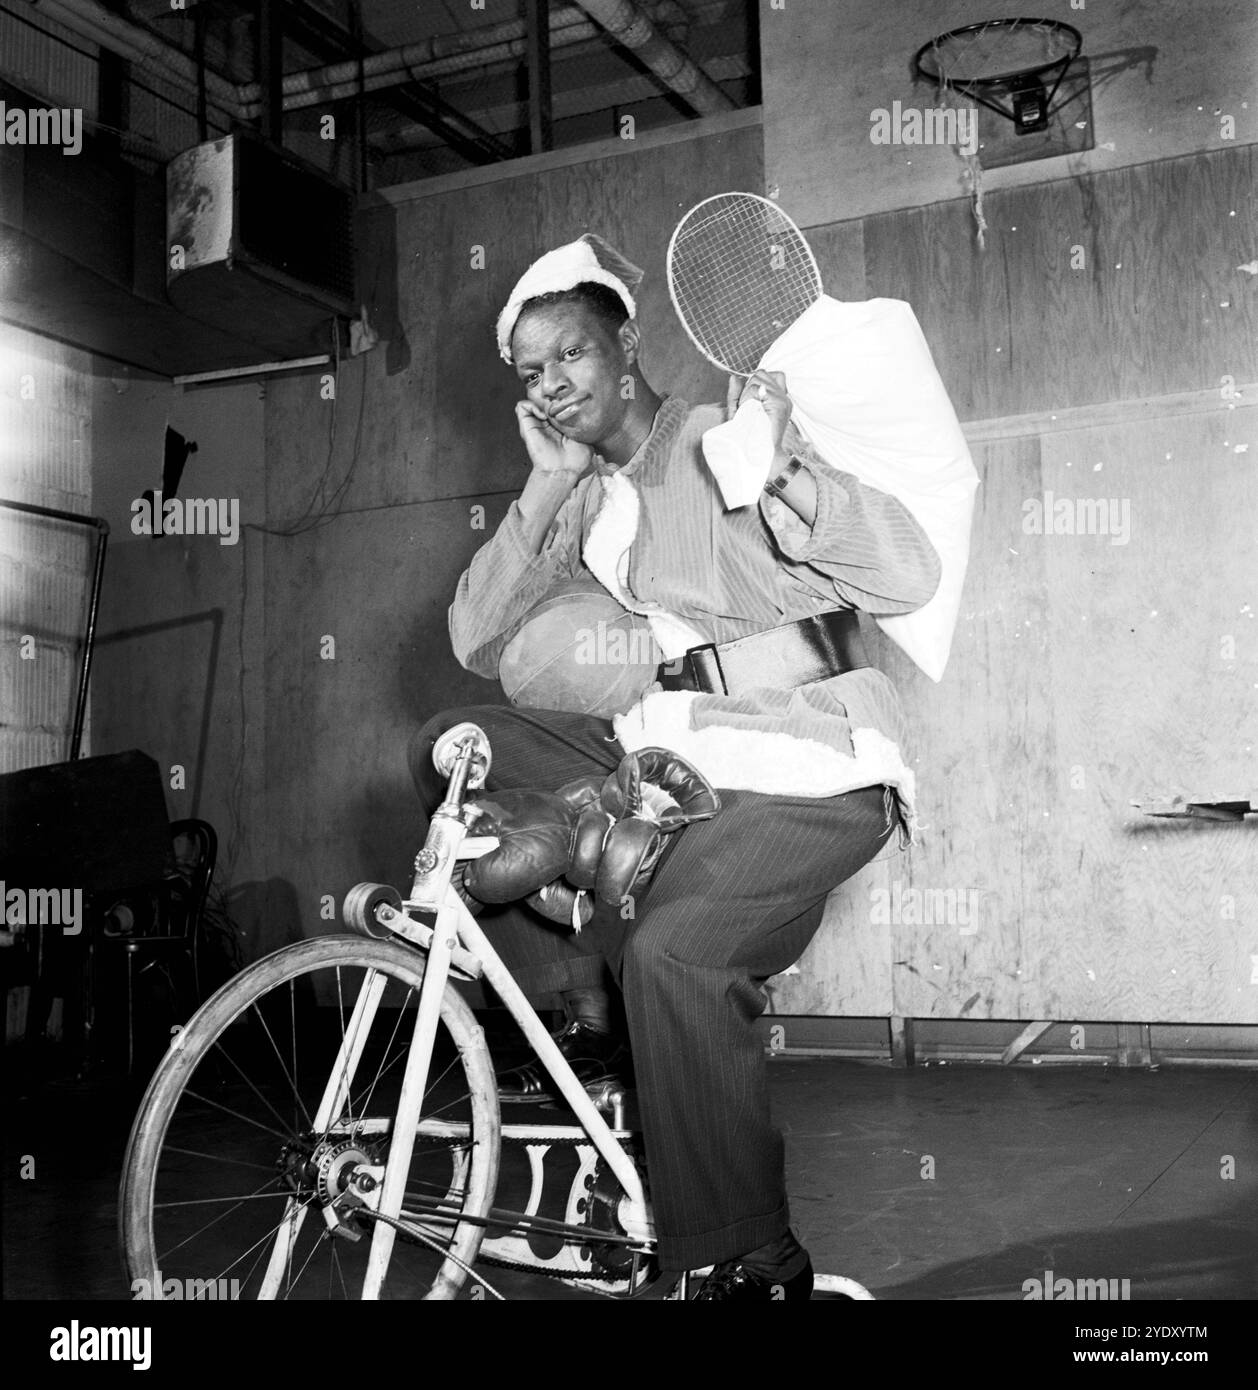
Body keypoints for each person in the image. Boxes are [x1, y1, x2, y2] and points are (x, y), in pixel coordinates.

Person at [408, 234, 942, 1300]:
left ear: (626, 341)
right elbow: (474, 632)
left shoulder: (717, 442)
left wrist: (783, 471)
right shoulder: (587, 508)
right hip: (676, 771)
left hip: (815, 770)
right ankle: (581, 833)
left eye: (570, 354)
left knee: (674, 959)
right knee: (463, 734)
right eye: (530, 373)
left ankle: (753, 1258)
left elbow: (908, 572)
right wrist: (545, 483)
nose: (553, 385)